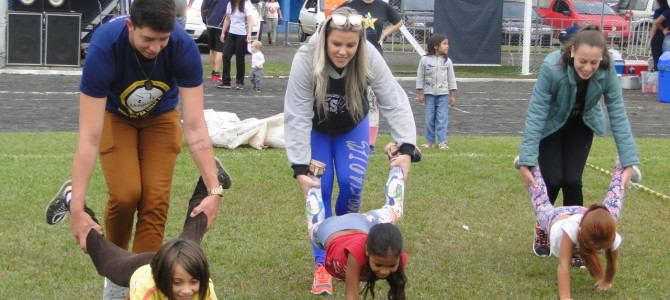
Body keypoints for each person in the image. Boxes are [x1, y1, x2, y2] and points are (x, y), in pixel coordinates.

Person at [70, 0, 226, 297]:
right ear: (131, 25)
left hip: (161, 117)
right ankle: (116, 274)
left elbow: (194, 126)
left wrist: (214, 189)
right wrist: (77, 207)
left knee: (155, 199)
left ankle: (147, 283)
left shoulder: (182, 47)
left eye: (162, 40)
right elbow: (89, 138)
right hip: (116, 117)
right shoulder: (105, 46)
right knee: (126, 194)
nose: (155, 48)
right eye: (147, 39)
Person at [283, 7, 417, 295]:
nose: (343, 51)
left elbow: (393, 97)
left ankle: (351, 248)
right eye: (336, 44)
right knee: (320, 190)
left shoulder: (369, 55)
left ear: (359, 43)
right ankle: (323, 263)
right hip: (316, 131)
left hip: (352, 127)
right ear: (325, 40)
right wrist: (299, 165)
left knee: (350, 186)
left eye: (350, 45)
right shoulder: (306, 58)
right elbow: (295, 113)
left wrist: (406, 146)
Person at [517, 26, 639, 258]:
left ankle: (579, 243)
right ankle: (544, 227)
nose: (588, 68)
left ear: (601, 59)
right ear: (572, 51)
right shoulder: (552, 67)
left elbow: (618, 113)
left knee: (572, 180)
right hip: (551, 125)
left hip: (581, 124)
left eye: (594, 63)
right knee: (552, 179)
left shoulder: (607, 71)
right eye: (583, 61)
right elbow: (536, 111)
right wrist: (527, 159)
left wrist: (628, 160)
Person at [45, 170, 225, 299]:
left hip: (174, 264)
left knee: (190, 241)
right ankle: (71, 199)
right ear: (163, 279)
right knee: (108, 261)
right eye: (178, 282)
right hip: (143, 270)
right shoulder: (147, 289)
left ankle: (209, 177)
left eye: (193, 281)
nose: (186, 291)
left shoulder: (205, 290)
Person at [522, 158, 639, 300]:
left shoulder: (611, 236)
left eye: (599, 247)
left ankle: (623, 167)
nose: (595, 248)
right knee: (540, 201)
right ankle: (530, 165)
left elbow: (612, 262)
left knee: (614, 203)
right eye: (592, 245)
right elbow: (563, 265)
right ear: (581, 232)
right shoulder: (570, 229)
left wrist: (607, 281)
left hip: (588, 216)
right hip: (557, 218)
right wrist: (565, 297)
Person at [304, 146, 408, 299]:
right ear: (367, 251)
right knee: (314, 228)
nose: (384, 271)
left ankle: (396, 159)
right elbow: (351, 295)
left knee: (395, 211)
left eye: (391, 266)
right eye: (378, 264)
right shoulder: (356, 253)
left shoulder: (397, 256)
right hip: (330, 229)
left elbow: (399, 294)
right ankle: (315, 176)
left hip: (362, 223)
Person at [340, 0, 404, 154]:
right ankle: (348, 136)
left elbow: (399, 21)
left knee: (373, 101)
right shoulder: (350, 5)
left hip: (374, 59)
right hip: (352, 59)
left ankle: (370, 143)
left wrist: (384, 34)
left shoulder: (382, 6)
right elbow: (332, 20)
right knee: (350, 97)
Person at [415, 33, 457, 150]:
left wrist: (452, 95)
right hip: (429, 95)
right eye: (444, 44)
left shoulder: (447, 62)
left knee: (442, 118)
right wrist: (420, 92)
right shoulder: (424, 60)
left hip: (443, 95)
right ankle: (429, 141)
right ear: (435, 46)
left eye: (447, 44)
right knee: (429, 118)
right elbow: (420, 77)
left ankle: (442, 142)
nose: (447, 46)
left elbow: (451, 78)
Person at [217, 0, 254, 90]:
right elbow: (227, 19)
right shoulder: (230, 4)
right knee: (225, 55)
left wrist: (249, 34)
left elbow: (250, 20)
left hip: (242, 34)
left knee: (239, 58)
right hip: (231, 34)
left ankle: (239, 82)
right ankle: (226, 82)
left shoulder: (246, 5)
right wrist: (223, 32)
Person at [201, 0, 229, 82]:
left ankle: (213, 71)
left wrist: (205, 20)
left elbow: (203, 7)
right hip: (221, 24)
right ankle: (216, 73)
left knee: (212, 49)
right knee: (220, 49)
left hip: (210, 23)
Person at [649, 0, 670, 71]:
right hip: (665, 37)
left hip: (662, 37)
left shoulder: (661, 11)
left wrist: (650, 40)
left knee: (661, 60)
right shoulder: (667, 10)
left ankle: (660, 76)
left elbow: (655, 24)